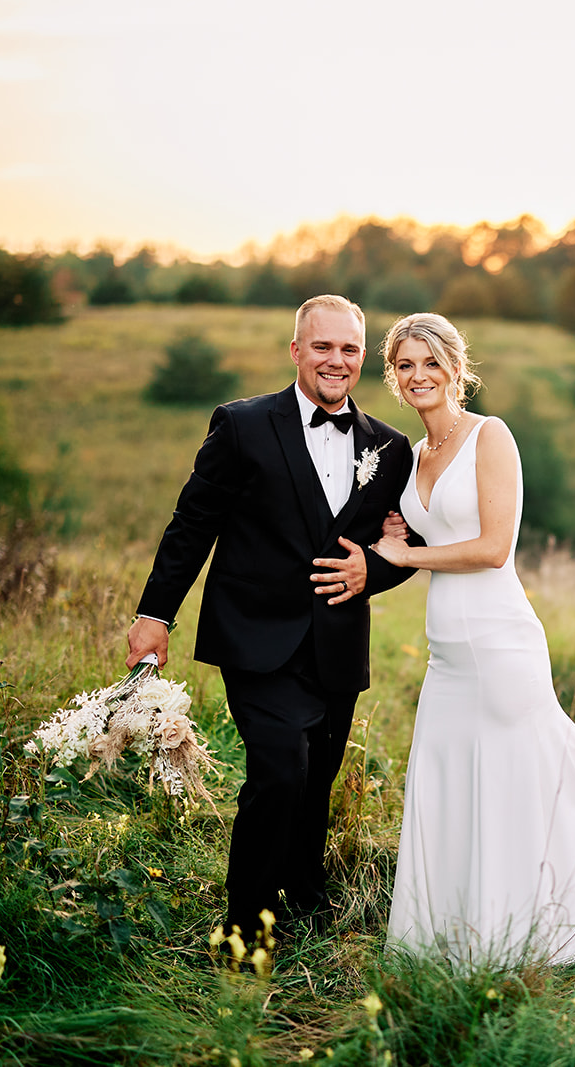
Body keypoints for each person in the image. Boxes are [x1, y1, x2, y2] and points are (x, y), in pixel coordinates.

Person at [126, 294, 417, 947]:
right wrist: (155, 614)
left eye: (348, 348)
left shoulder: (390, 448)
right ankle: (245, 926)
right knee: (281, 769)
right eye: (322, 346)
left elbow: (407, 545)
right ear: (296, 350)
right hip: (255, 636)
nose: (335, 360)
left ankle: (305, 891)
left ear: (361, 356)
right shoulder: (241, 425)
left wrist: (376, 567)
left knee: (317, 780)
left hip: (340, 640)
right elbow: (192, 524)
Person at [370, 312, 575, 965]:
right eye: (406, 365)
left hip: (500, 643)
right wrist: (392, 540)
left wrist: (406, 557)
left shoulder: (490, 437)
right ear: (393, 376)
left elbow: (494, 547)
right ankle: (458, 938)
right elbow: (413, 533)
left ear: (456, 368)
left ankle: (547, 933)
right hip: (447, 653)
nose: (419, 376)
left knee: (514, 785)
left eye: (431, 362)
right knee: (453, 789)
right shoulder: (410, 459)